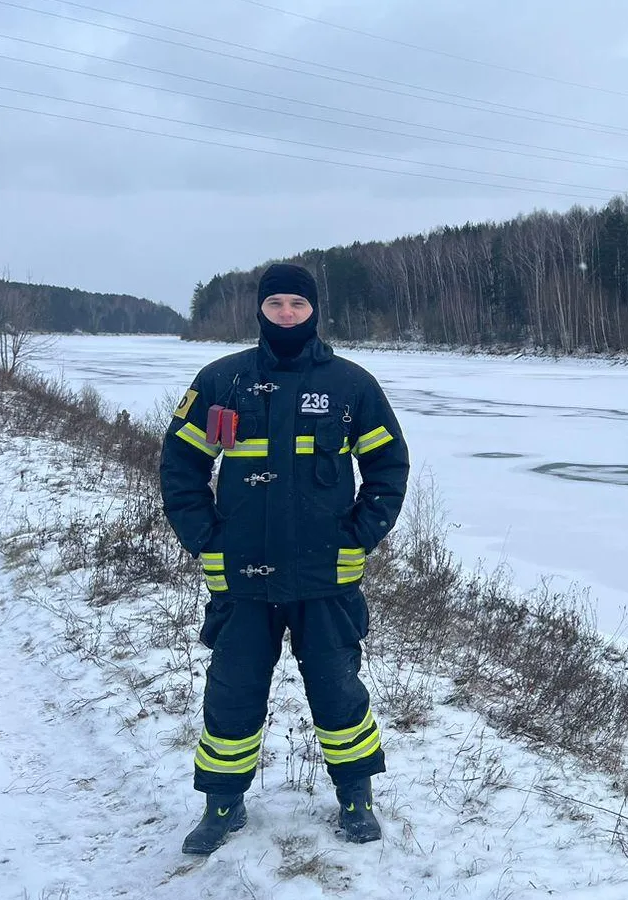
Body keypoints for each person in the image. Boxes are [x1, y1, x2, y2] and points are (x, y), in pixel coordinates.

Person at [159, 261, 410, 854]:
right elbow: (181, 467)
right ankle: (222, 804)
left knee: (337, 689)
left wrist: (360, 536)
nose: (288, 315)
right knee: (232, 690)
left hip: (326, 575)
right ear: (260, 310)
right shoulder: (223, 381)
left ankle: (355, 795)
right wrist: (205, 540)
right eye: (277, 305)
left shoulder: (352, 386)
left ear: (314, 311)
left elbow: (388, 467)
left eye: (298, 305)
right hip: (241, 574)